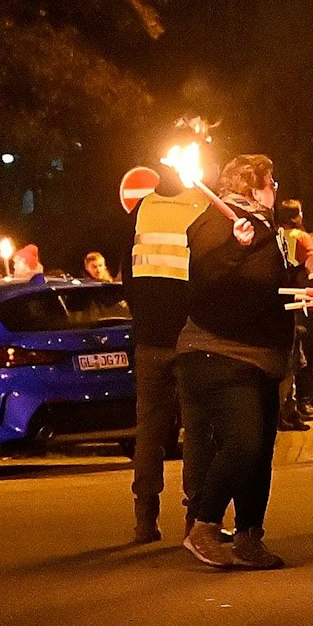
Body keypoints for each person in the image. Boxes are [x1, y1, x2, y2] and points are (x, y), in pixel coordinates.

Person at [176, 154, 293, 570]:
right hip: (221, 353)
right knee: (243, 443)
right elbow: (207, 279)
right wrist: (234, 246)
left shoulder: (264, 227)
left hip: (260, 356)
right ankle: (204, 525)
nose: (276, 190)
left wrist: (306, 284)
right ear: (251, 186)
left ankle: (249, 535)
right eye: (271, 182)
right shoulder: (218, 221)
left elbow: (266, 282)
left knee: (260, 451)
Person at [124, 167, 209, 543]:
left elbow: (127, 275)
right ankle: (195, 517)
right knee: (196, 429)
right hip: (189, 336)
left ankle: (145, 519)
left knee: (150, 430)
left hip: (148, 337)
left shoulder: (141, 210)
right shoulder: (202, 207)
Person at [276, 198, 313, 430]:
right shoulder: (302, 238)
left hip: (279, 300)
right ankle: (291, 410)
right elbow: (312, 268)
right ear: (298, 215)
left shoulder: (276, 234)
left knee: (285, 355)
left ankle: (287, 408)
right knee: (299, 358)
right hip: (302, 302)